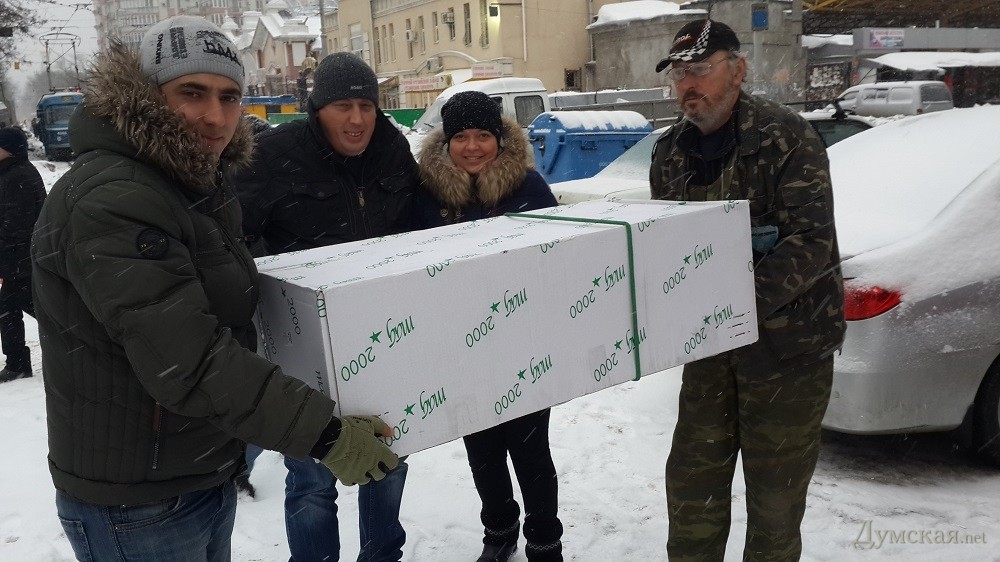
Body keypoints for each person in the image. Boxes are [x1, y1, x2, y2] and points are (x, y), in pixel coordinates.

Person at [30, 15, 398, 561]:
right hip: (138, 501)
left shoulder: (193, 183)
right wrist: (326, 434)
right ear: (147, 95)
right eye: (192, 93)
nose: (215, 116)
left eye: (229, 97)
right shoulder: (115, 198)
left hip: (195, 468)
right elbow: (190, 361)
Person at [648, 19, 845, 561]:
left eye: (701, 70)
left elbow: (811, 242)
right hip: (710, 352)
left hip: (787, 352)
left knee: (775, 502)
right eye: (679, 74)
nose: (688, 85)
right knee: (693, 489)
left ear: (737, 71)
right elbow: (668, 247)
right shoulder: (670, 153)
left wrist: (730, 305)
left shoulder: (787, 137)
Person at [231, 51, 418, 562]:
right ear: (318, 109)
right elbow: (233, 237)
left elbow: (421, 225)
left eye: (366, 106)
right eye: (342, 107)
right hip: (303, 346)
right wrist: (284, 279)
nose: (357, 119)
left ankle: (382, 555)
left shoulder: (392, 150)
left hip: (385, 334)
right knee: (312, 476)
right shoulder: (275, 155)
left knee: (387, 461)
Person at [411, 91, 563, 562]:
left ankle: (544, 538)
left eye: (483, 135)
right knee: (482, 450)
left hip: (524, 344)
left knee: (531, 450)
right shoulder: (427, 195)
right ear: (447, 142)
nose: (472, 146)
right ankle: (499, 530)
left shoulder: (529, 189)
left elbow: (561, 259)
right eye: (461, 137)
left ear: (499, 139)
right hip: (462, 348)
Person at [0, 127, 45, 383]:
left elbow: (16, 225)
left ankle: (81, 343)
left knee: (32, 307)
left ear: (8, 150)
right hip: (19, 258)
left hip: (21, 258)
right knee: (12, 308)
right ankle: (17, 363)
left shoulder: (17, 177)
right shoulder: (12, 172)